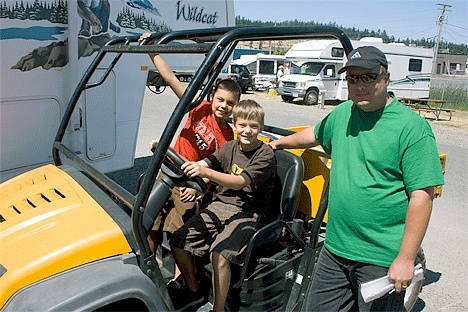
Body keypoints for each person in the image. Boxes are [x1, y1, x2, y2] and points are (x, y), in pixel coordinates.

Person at [269, 46, 444, 311]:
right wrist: (278, 144)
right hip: (335, 250)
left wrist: (406, 258)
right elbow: (314, 134)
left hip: (380, 258)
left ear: (385, 77)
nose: (359, 85)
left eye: (368, 77)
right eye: (352, 78)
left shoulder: (412, 128)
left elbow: (422, 195)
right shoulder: (344, 114)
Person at [138, 33, 242, 283]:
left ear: (235, 106)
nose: (223, 106)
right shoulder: (198, 107)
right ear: (212, 97)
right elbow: (169, 77)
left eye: (230, 103)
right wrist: (152, 51)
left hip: (188, 186)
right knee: (148, 225)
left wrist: (201, 188)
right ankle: (147, 274)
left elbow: (219, 172)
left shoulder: (228, 137)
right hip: (167, 173)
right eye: (220, 100)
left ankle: (183, 284)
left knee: (179, 238)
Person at [169, 99, 276, 311]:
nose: (247, 131)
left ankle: (217, 309)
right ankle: (193, 290)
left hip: (248, 213)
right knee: (178, 240)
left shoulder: (265, 155)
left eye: (253, 126)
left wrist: (205, 173)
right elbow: (204, 163)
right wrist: (169, 154)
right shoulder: (229, 147)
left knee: (219, 253)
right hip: (221, 205)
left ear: (260, 128)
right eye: (242, 125)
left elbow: (239, 182)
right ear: (234, 125)